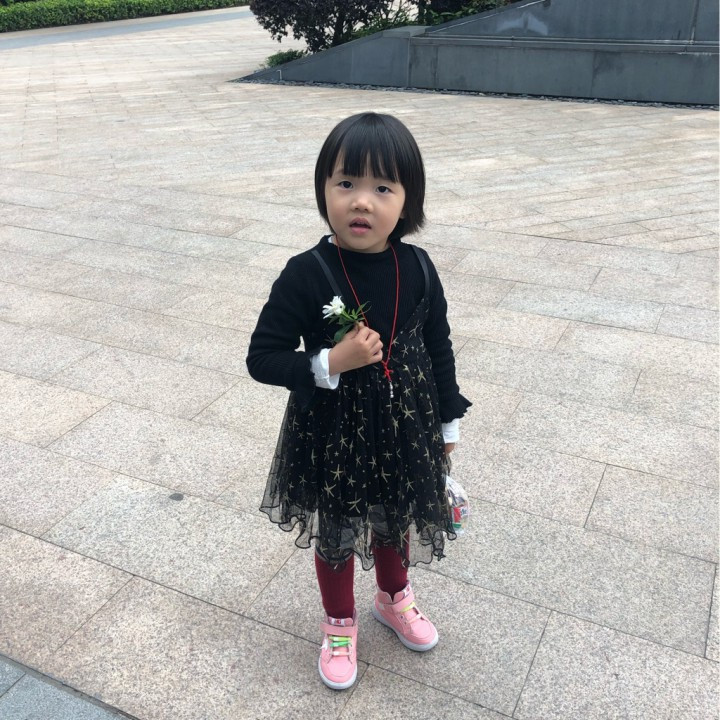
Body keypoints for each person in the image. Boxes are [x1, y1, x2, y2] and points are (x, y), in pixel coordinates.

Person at [246, 112, 471, 690]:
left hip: (404, 423)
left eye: (382, 188)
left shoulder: (418, 266)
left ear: (408, 199)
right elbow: (262, 357)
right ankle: (339, 624)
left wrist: (447, 425)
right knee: (339, 527)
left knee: (395, 516)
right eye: (345, 183)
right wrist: (328, 362)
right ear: (323, 188)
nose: (361, 201)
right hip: (333, 429)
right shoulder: (306, 272)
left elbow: (438, 347)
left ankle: (394, 598)